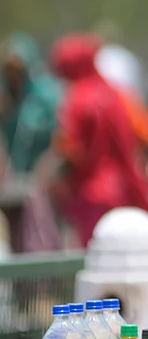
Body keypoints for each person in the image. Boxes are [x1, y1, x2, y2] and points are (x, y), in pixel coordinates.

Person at [49, 33, 148, 246]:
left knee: (99, 262)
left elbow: (69, 151)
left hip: (91, 196)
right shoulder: (120, 93)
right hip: (129, 189)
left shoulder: (76, 99)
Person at [0, 33, 63, 253]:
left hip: (46, 183)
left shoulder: (47, 95)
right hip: (15, 185)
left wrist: (44, 172)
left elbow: (61, 140)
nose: (14, 76)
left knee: (42, 236)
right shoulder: (9, 98)